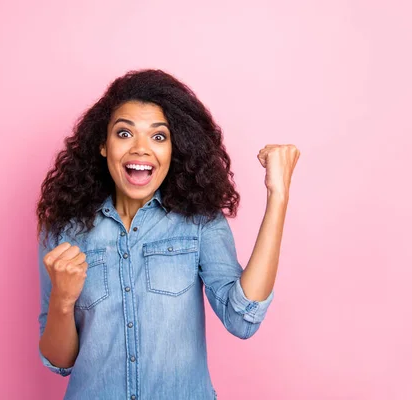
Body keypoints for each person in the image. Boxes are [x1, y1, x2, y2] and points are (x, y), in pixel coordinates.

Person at [35, 69, 300, 400]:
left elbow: (242, 319)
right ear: (103, 145)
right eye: (124, 134)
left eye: (158, 136)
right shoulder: (64, 227)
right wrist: (63, 299)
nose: (141, 149)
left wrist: (278, 196)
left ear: (175, 149)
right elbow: (59, 361)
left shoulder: (199, 220)